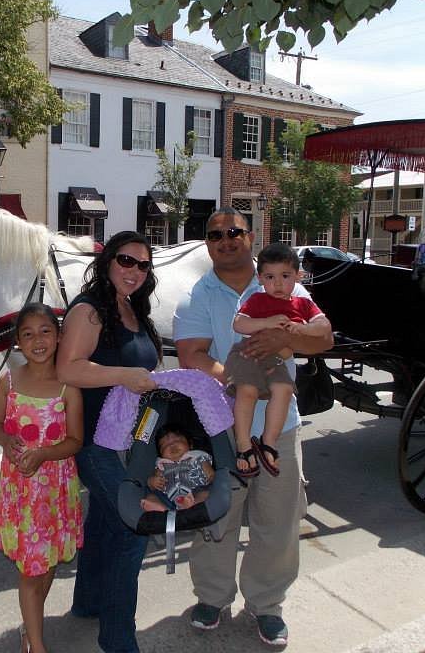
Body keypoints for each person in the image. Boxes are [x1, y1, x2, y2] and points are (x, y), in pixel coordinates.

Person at [173, 207, 333, 649]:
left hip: (281, 428)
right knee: (217, 516)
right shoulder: (198, 295)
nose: (225, 240)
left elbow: (324, 337)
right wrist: (240, 378)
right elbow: (192, 354)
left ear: (251, 236)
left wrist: (284, 340)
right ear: (207, 243)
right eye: (215, 234)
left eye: (234, 232)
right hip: (222, 425)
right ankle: (212, 596)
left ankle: (266, 604)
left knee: (278, 522)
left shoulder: (285, 284)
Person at [56, 231, 162, 653]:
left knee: (103, 520)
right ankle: (119, 642)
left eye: (143, 264)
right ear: (107, 262)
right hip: (96, 442)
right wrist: (123, 375)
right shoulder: (90, 310)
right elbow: (69, 369)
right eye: (125, 261)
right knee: (133, 529)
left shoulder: (133, 309)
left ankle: (88, 604)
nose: (134, 271)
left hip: (129, 441)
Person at [0, 302, 84, 653]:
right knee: (30, 571)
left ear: (59, 337)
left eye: (45, 331)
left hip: (54, 491)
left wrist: (44, 453)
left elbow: (75, 441)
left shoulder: (67, 387)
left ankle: (31, 627)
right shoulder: (8, 382)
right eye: (27, 334)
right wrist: (6, 440)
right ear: (18, 343)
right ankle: (37, 645)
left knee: (46, 564)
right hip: (20, 491)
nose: (37, 340)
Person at [226, 243, 329, 478]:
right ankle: (243, 444)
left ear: (298, 276)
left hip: (277, 361)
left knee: (283, 391)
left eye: (285, 276)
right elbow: (239, 324)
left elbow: (324, 327)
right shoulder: (257, 300)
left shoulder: (301, 303)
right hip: (250, 356)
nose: (278, 283)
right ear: (260, 278)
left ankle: (268, 442)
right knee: (248, 392)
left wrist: (299, 330)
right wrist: (268, 322)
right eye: (270, 277)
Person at [140, 423, 215, 512]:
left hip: (195, 491)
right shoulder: (162, 465)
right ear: (161, 454)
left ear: (190, 444)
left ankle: (194, 505)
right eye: (165, 445)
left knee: (204, 494)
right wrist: (152, 482)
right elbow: (153, 483)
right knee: (151, 496)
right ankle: (163, 510)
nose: (172, 445)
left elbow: (211, 474)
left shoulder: (197, 457)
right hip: (169, 498)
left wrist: (212, 480)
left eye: (177, 440)